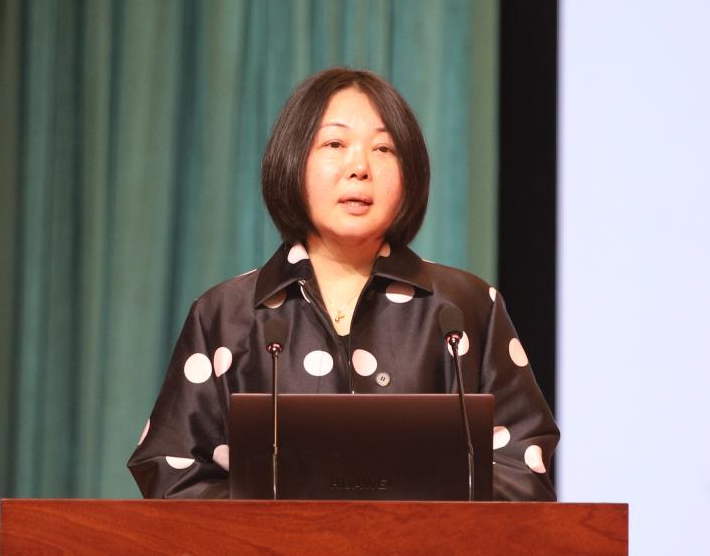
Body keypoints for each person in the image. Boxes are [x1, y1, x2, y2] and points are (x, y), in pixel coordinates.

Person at [127, 67, 559, 500]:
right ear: (293, 159)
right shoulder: (226, 315)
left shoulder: (465, 307)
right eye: (335, 144)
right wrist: (285, 530)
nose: (360, 168)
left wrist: (412, 525)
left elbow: (522, 470)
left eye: (383, 148)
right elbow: (172, 473)